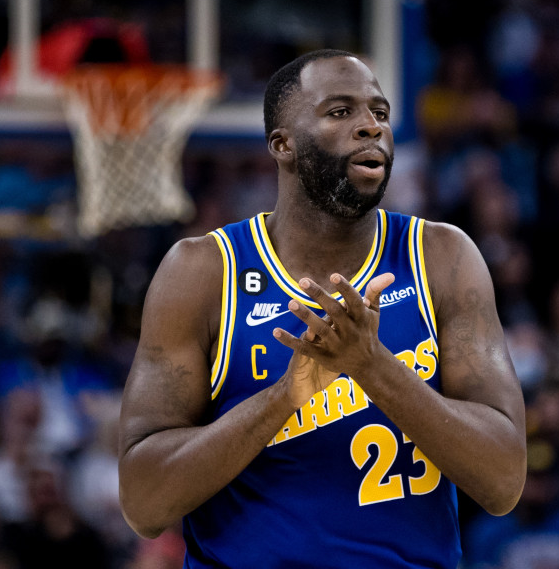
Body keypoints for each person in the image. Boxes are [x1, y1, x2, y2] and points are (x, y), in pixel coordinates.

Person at [117, 50, 527, 567]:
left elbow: (503, 481)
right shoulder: (203, 273)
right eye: (340, 112)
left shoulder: (442, 258)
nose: (369, 128)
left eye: (379, 113)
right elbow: (144, 502)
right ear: (282, 144)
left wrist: (370, 366)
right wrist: (287, 396)